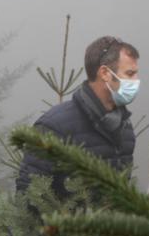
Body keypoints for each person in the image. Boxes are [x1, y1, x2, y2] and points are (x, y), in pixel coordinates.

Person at [17, 35, 140, 197]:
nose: (136, 80)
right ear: (105, 73)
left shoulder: (125, 128)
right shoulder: (54, 127)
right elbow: (30, 196)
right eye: (130, 74)